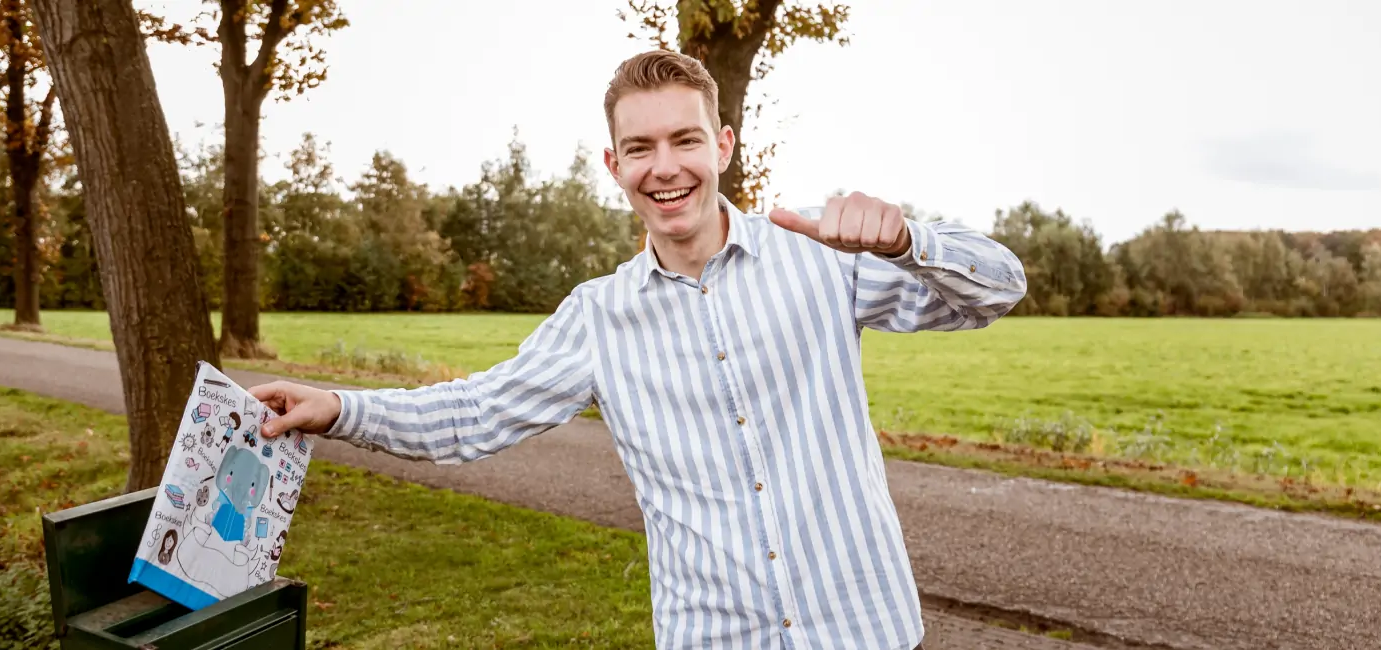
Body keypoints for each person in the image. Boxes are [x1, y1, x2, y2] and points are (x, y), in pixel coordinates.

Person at [252, 49, 1026, 650]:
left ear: (722, 146)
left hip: (867, 630)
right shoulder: (598, 318)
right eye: (641, 147)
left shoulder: (822, 258)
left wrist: (908, 241)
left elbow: (997, 290)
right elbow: (474, 413)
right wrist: (340, 409)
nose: (665, 167)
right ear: (613, 164)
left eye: (685, 139)